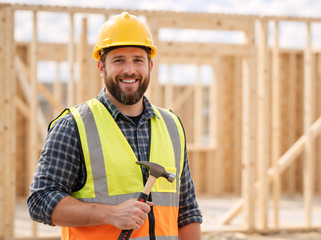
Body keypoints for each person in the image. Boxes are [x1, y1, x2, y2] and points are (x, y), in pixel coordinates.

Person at [27, 12, 202, 240]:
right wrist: (109, 213)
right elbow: (39, 201)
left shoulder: (172, 125)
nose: (129, 70)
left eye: (138, 60)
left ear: (150, 65)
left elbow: (187, 212)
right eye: (119, 60)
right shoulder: (73, 126)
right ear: (101, 67)